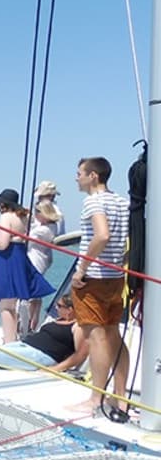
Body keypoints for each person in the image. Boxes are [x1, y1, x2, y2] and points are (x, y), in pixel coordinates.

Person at [67, 157, 130, 418]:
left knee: (97, 338)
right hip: (116, 278)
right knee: (113, 334)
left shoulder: (93, 201)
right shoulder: (122, 202)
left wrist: (81, 269)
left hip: (92, 278)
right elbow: (130, 238)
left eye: (79, 173)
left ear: (93, 176)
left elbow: (101, 235)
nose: (76, 178)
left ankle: (96, 399)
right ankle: (121, 397)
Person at [0, 189, 54, 343]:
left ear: (3, 204)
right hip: (19, 256)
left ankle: (9, 340)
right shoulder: (22, 217)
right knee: (13, 303)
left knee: (5, 305)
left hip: (7, 259)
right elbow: (21, 238)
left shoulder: (5, 217)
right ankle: (12, 339)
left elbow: (3, 244)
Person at [25, 199, 62, 332]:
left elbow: (26, 236)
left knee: (30, 295)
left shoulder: (43, 230)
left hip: (36, 260)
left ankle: (29, 324)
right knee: (36, 296)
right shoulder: (51, 226)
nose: (35, 214)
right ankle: (32, 324)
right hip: (42, 259)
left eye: (37, 212)